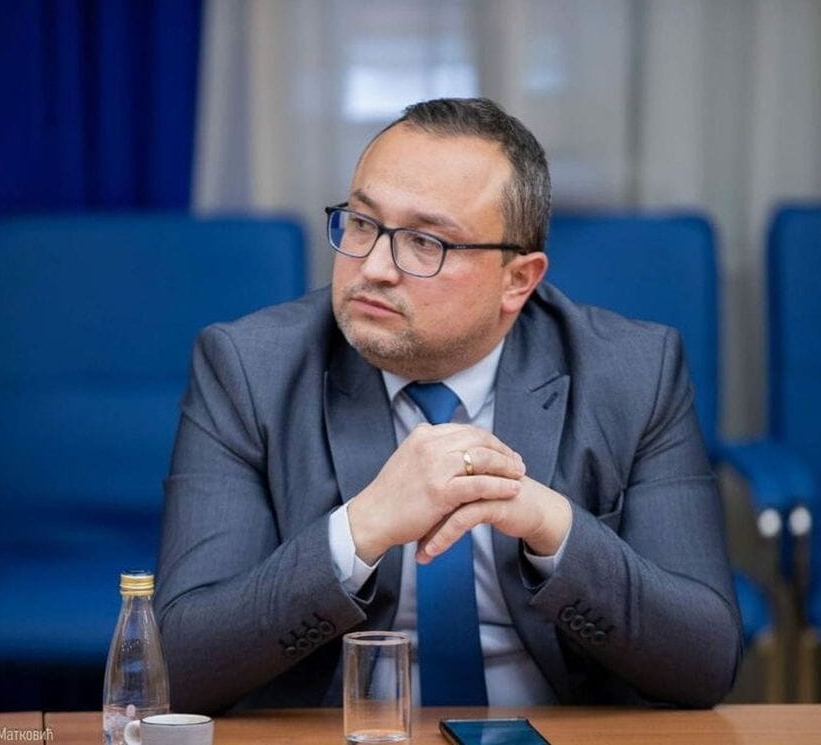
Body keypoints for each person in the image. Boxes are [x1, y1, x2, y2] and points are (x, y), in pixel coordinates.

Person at [155, 97, 741, 714]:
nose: (374, 268)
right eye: (362, 223)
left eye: (424, 242)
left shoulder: (633, 372)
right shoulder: (249, 369)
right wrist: (359, 531)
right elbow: (183, 665)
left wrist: (555, 528)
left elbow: (704, 665)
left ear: (518, 279)